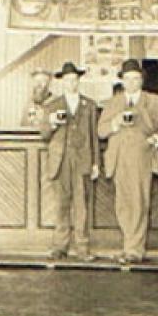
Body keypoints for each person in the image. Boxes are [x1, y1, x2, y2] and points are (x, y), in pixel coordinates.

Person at [97, 59, 158, 264]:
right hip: (118, 158)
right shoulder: (113, 102)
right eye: (127, 79)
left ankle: (135, 249)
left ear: (142, 80)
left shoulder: (153, 101)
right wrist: (115, 123)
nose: (131, 83)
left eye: (136, 79)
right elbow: (100, 130)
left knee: (139, 202)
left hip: (142, 157)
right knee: (123, 204)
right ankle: (128, 245)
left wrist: (155, 140)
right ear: (121, 81)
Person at [36, 62, 100, 261]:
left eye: (74, 79)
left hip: (82, 159)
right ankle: (60, 247)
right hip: (60, 160)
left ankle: (82, 248)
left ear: (78, 81)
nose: (71, 83)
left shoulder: (89, 105)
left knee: (82, 206)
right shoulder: (52, 106)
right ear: (62, 82)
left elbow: (94, 136)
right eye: (68, 80)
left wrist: (96, 163)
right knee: (62, 205)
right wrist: (53, 123)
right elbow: (44, 134)